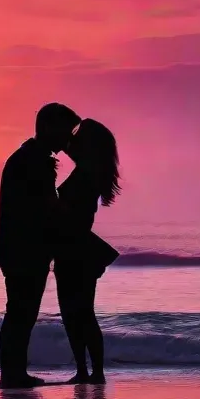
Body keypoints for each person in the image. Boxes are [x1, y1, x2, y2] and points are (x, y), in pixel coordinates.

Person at [0, 102, 82, 389]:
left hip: (19, 248)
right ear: (48, 128)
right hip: (25, 250)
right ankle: (13, 373)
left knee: (20, 312)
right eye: (65, 132)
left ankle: (13, 371)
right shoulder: (35, 162)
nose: (68, 140)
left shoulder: (28, 157)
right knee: (22, 312)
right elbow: (47, 209)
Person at [53, 119, 121, 384]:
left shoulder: (87, 173)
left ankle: (90, 371)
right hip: (76, 245)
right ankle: (88, 371)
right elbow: (71, 148)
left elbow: (72, 213)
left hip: (74, 246)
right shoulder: (90, 170)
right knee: (79, 312)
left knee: (76, 312)